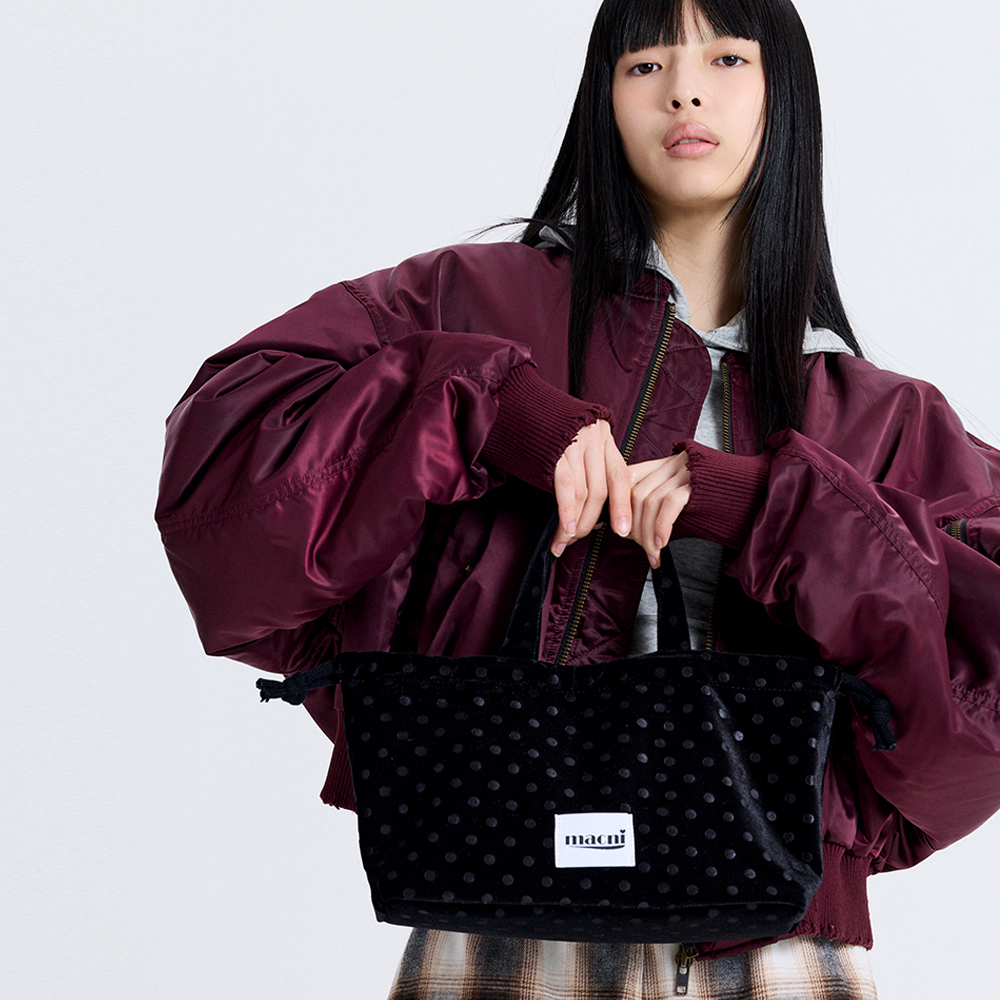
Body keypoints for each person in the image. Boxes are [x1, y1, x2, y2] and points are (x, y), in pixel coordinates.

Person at [155, 0, 1000, 997]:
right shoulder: (465, 303)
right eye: (644, 64)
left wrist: (776, 509)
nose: (684, 91)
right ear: (603, 100)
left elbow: (974, 709)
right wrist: (482, 406)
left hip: (773, 952)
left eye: (728, 58)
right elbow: (226, 470)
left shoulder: (880, 417)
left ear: (788, 97)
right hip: (498, 921)